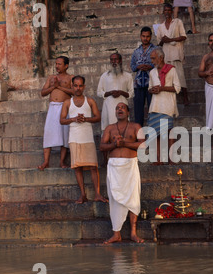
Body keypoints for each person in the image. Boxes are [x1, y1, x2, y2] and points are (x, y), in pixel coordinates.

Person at [99, 102, 145, 244]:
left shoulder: (136, 127)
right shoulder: (109, 128)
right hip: (114, 167)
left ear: (128, 112)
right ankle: (116, 234)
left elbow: (143, 144)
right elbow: (102, 146)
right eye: (117, 108)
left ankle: (133, 233)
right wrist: (114, 145)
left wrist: (125, 143)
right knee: (114, 200)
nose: (119, 110)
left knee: (133, 199)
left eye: (122, 108)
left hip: (130, 165)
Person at [60, 75, 108, 204]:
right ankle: (83, 195)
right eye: (75, 85)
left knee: (93, 167)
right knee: (77, 168)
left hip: (87, 138)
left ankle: (97, 194)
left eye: (80, 85)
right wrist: (74, 119)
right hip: (74, 138)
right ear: (72, 86)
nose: (78, 88)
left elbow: (98, 117)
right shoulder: (67, 102)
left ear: (84, 87)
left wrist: (85, 119)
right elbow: (62, 120)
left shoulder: (90, 101)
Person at [38, 56, 73, 171]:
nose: (57, 66)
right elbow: (43, 92)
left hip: (64, 107)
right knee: (49, 133)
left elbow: (74, 92)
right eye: (56, 64)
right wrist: (53, 87)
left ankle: (62, 161)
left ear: (66, 66)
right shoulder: (51, 78)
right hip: (53, 108)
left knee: (64, 134)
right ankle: (46, 162)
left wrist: (60, 87)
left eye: (59, 64)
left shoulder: (70, 78)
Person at [148, 47, 181, 165]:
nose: (151, 61)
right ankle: (159, 158)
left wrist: (162, 88)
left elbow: (177, 88)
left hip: (168, 105)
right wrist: (153, 89)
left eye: (153, 58)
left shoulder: (171, 70)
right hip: (155, 105)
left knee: (169, 131)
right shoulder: (152, 72)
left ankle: (171, 157)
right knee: (156, 132)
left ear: (161, 58)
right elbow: (149, 88)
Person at [157, 3, 189, 105]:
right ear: (163, 12)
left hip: (176, 54)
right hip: (166, 56)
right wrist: (163, 40)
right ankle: (169, 99)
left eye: (169, 10)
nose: (167, 12)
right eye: (165, 10)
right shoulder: (160, 27)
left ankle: (185, 98)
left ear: (172, 11)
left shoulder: (178, 22)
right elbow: (159, 43)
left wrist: (170, 39)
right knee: (168, 78)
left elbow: (183, 36)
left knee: (180, 76)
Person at [97, 52, 134, 133]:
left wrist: (121, 92)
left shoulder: (128, 76)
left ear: (120, 61)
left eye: (116, 59)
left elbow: (131, 93)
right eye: (112, 60)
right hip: (108, 106)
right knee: (108, 130)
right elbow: (99, 92)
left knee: (124, 130)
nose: (114, 62)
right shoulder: (104, 76)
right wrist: (110, 93)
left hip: (123, 105)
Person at [131, 27, 156, 127]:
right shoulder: (136, 51)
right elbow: (132, 67)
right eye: (143, 36)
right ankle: (139, 134)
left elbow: (160, 64)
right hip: (138, 84)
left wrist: (151, 66)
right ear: (140, 36)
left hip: (151, 84)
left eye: (147, 36)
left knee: (152, 110)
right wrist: (138, 67)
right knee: (138, 112)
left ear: (150, 37)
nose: (145, 38)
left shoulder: (156, 50)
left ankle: (153, 132)